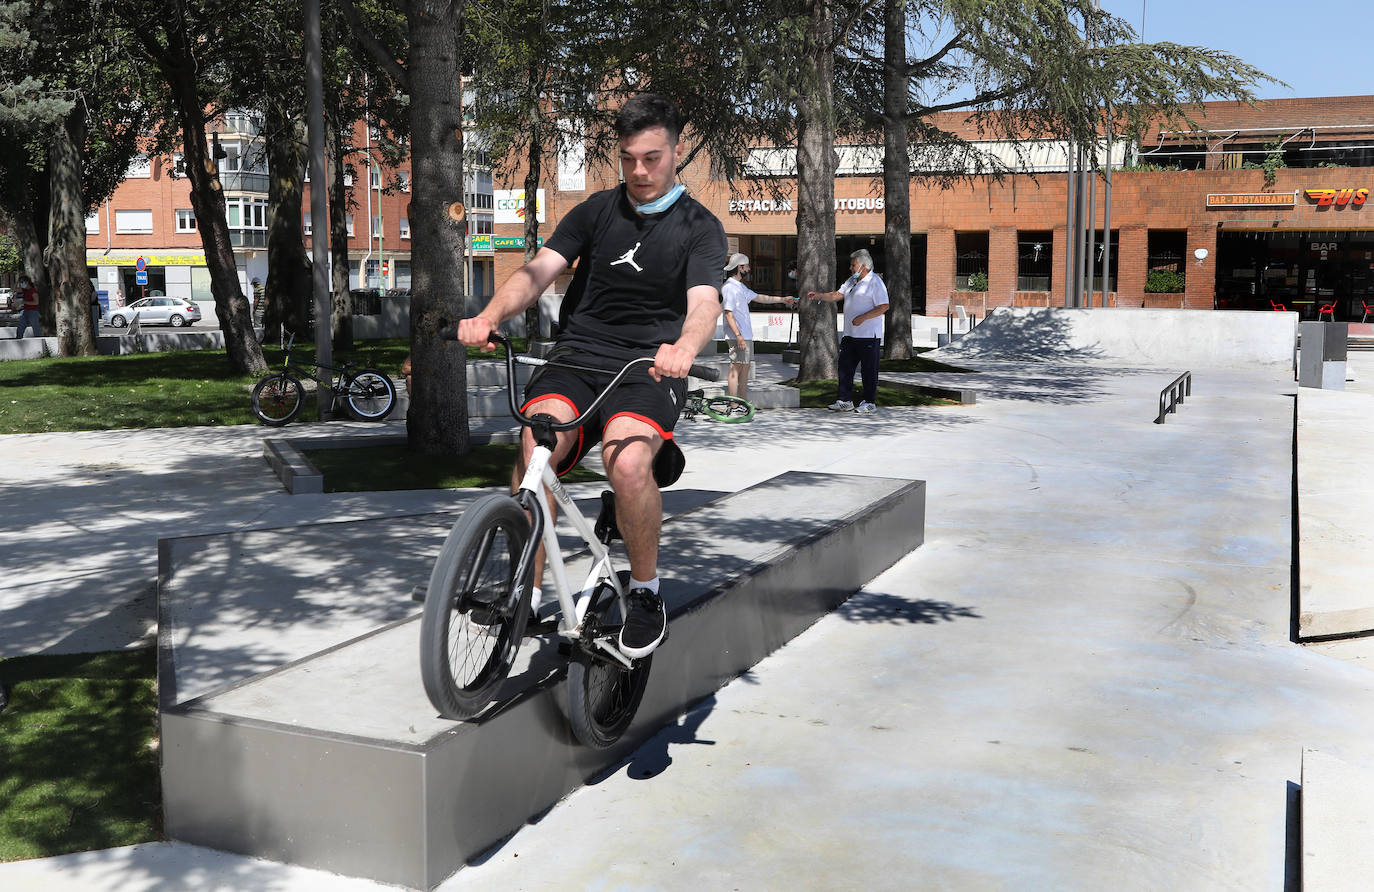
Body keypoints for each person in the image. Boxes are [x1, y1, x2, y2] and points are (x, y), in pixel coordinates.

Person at [456, 93, 726, 658]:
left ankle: (648, 591)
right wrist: (487, 315)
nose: (640, 171)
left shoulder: (699, 227)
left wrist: (684, 346)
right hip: (579, 357)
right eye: (628, 158)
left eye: (652, 157)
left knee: (626, 463)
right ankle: (523, 596)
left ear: (676, 151)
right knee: (536, 443)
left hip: (648, 365)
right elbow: (537, 273)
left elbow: (705, 302)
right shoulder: (595, 212)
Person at [805, 248, 889, 415]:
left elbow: (883, 306)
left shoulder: (875, 282)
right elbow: (837, 294)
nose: (851, 268)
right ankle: (845, 400)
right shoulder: (852, 281)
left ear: (864, 266)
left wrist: (863, 317)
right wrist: (820, 295)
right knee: (845, 368)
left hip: (868, 336)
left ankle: (869, 402)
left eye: (853, 265)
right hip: (850, 334)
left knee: (868, 370)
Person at [719, 253, 796, 402]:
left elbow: (759, 297)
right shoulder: (729, 287)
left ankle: (742, 402)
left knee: (744, 368)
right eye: (746, 266)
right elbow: (728, 314)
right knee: (736, 368)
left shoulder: (740, 287)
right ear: (739, 267)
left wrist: (782, 300)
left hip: (745, 336)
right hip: (738, 337)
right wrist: (738, 335)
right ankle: (734, 405)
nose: (749, 268)